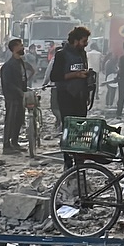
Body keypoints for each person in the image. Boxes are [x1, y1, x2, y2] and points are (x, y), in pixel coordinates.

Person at [48, 27, 93, 169]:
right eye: (84, 41)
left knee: (81, 130)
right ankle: (68, 161)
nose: (86, 44)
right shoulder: (61, 55)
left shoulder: (82, 54)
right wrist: (76, 75)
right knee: (68, 129)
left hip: (80, 97)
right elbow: (55, 76)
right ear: (76, 41)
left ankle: (79, 160)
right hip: (66, 97)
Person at [0, 38, 34, 153]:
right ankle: (6, 145)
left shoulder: (20, 62)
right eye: (20, 45)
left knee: (19, 119)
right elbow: (7, 82)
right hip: (12, 97)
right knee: (10, 120)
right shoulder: (9, 65)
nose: (23, 47)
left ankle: (15, 142)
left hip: (20, 96)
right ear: (14, 48)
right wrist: (19, 91)